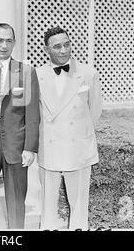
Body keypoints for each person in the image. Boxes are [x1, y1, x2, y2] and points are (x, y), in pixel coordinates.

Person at [36, 26, 102, 230]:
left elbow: (95, 111)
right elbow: (30, 113)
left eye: (67, 44)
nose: (63, 50)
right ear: (46, 49)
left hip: (78, 147)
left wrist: (82, 136)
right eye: (57, 46)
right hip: (50, 146)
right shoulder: (36, 75)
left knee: (79, 204)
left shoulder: (88, 73)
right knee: (47, 204)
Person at [0, 23, 40, 229]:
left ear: (14, 43)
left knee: (16, 200)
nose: (4, 45)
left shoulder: (26, 71)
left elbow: (32, 113)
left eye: (8, 41)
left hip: (15, 143)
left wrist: (30, 147)